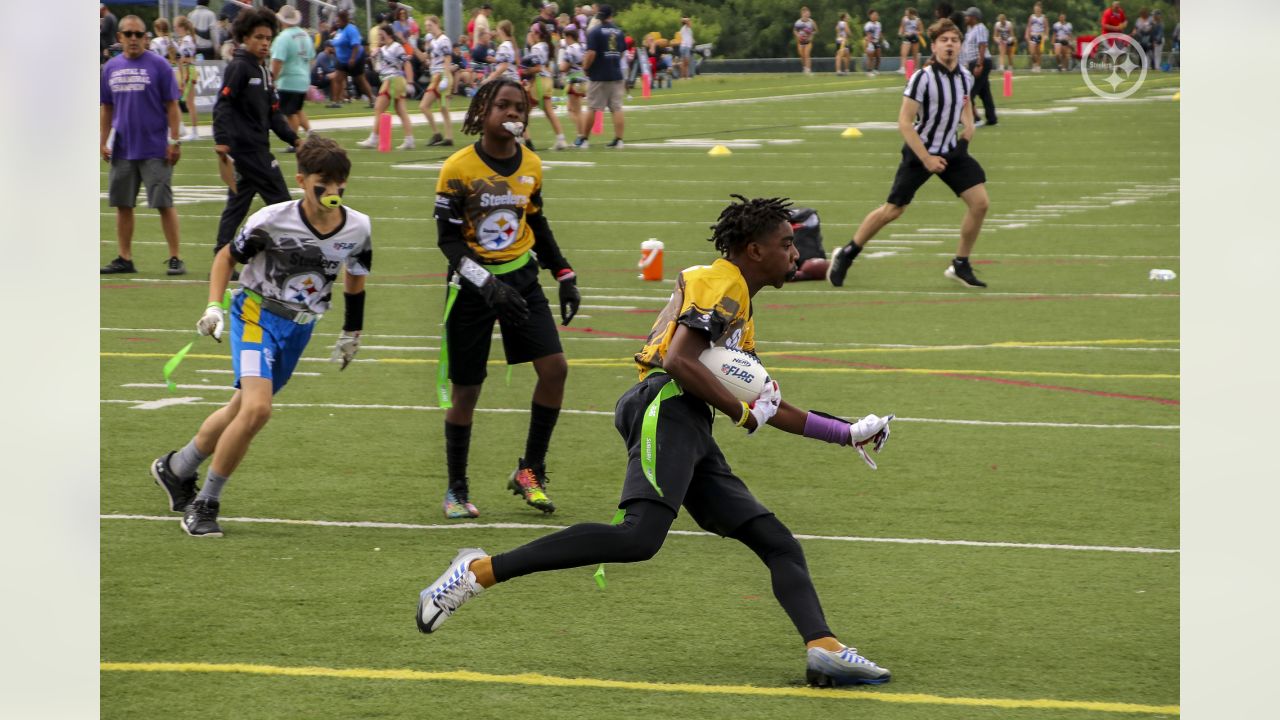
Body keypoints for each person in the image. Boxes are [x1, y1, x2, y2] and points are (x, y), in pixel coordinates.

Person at [414, 194, 897, 689]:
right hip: (665, 407)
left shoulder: (735, 297)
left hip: (685, 417)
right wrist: (740, 414)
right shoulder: (722, 283)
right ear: (754, 250)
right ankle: (477, 571)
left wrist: (846, 432)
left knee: (776, 542)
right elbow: (680, 362)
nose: (796, 254)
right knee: (638, 537)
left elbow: (765, 402)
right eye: (786, 243)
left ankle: (823, 650)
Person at [149, 136, 372, 537]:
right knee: (257, 410)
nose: (333, 190)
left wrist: (352, 330)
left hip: (300, 325)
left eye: (341, 182)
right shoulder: (270, 220)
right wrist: (213, 306)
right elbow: (226, 257)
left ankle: (177, 467)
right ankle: (205, 504)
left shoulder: (357, 228)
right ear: (301, 180)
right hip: (255, 313)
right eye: (324, 180)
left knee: (240, 409)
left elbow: (355, 278)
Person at [431, 77, 581, 519]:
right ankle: (457, 489)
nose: (513, 114)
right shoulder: (457, 168)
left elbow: (537, 222)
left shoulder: (531, 164)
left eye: (520, 108)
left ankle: (530, 472)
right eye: (503, 106)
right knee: (467, 391)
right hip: (472, 288)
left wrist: (564, 273)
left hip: (521, 280)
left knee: (555, 369)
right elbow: (449, 243)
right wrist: (486, 284)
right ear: (483, 111)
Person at [827, 18, 990, 290]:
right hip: (921, 152)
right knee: (893, 210)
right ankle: (847, 254)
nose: (949, 45)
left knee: (980, 203)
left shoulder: (964, 76)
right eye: (944, 40)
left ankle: (960, 263)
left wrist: (968, 132)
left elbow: (965, 106)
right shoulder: (922, 78)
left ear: (961, 45)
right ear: (935, 45)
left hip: (950, 152)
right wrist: (926, 159)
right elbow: (904, 122)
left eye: (954, 40)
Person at [211, 7, 302, 259]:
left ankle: (222, 256)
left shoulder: (264, 72)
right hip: (247, 150)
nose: (264, 43)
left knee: (237, 205)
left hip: (257, 147)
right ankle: (291, 254)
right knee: (281, 201)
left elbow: (274, 114)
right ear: (244, 38)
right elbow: (223, 104)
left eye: (268, 38)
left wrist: (294, 138)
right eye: (258, 37)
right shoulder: (239, 67)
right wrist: (221, 140)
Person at [101, 15, 187, 277]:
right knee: (123, 204)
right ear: (120, 37)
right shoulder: (110, 68)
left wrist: (174, 141)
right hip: (123, 147)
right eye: (128, 34)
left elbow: (172, 106)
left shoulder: (159, 65)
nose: (134, 39)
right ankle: (124, 257)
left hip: (154, 147)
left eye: (139, 34)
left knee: (163, 203)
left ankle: (175, 257)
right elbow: (107, 108)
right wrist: (102, 140)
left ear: (146, 37)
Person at [357, 25, 416, 150]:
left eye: (381, 34)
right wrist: (374, 57)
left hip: (394, 80)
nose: (379, 37)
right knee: (400, 111)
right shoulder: (382, 49)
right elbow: (379, 69)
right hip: (390, 79)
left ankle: (374, 138)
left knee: (378, 107)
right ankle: (409, 139)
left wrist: (410, 82)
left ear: (388, 34)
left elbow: (406, 63)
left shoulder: (396, 47)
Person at [581, 4, 625, 149]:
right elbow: (622, 52)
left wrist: (585, 67)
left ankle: (584, 139)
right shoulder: (619, 31)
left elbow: (591, 53)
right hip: (616, 73)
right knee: (616, 108)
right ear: (611, 16)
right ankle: (619, 140)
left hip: (599, 75)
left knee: (593, 108)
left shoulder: (595, 31)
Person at [270, 5, 314, 146]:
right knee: (297, 109)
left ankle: (293, 142)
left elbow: (277, 61)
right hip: (302, 78)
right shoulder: (305, 34)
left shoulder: (283, 37)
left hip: (289, 80)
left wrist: (273, 79)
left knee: (290, 113)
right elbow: (312, 57)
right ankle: (311, 134)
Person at [524, 22, 567, 150]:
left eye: (532, 32)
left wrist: (525, 72)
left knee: (523, 113)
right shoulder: (547, 46)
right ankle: (561, 139)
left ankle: (526, 142)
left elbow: (537, 68)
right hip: (548, 81)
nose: (530, 34)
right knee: (549, 112)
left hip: (539, 81)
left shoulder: (536, 48)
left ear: (537, 33)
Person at [417, 15, 455, 147]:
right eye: (426, 26)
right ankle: (441, 135)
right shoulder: (432, 41)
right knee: (433, 107)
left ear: (436, 24)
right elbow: (424, 58)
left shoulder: (444, 40)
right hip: (435, 76)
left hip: (441, 75)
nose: (428, 28)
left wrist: (445, 76)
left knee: (439, 107)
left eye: (430, 25)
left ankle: (445, 136)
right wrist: (411, 45)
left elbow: (447, 58)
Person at [330, 9, 373, 108]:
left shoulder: (351, 30)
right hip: (342, 60)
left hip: (356, 59)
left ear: (344, 21)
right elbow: (337, 43)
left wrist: (353, 59)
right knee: (337, 79)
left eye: (338, 21)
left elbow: (356, 45)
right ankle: (335, 102)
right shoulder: (340, 30)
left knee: (360, 81)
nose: (337, 23)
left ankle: (372, 100)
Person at [961, 7, 995, 127]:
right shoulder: (970, 30)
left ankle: (974, 119)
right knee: (985, 92)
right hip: (974, 62)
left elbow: (982, 45)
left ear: (974, 18)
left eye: (967, 16)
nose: (965, 18)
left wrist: (979, 64)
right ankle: (992, 118)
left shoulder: (980, 28)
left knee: (969, 92)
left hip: (981, 61)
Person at [173, 16, 201, 142]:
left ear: (181, 27)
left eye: (176, 27)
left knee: (188, 103)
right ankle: (185, 128)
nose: (175, 29)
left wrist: (178, 58)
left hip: (188, 70)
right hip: (187, 70)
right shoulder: (185, 40)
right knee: (187, 102)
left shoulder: (186, 40)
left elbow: (187, 57)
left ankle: (193, 131)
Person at [560, 27, 587, 139]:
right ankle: (582, 133)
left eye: (565, 37)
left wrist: (560, 66)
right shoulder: (582, 47)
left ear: (569, 37)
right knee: (572, 109)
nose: (564, 40)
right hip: (582, 79)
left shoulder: (570, 49)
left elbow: (564, 67)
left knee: (576, 111)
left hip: (574, 80)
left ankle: (581, 135)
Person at [1025, 3, 1047, 72]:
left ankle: (1038, 67)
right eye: (1035, 9)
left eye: (1038, 9)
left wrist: (1046, 35)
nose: (1037, 10)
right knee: (1032, 52)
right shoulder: (1032, 17)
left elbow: (1046, 27)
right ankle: (1034, 64)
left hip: (1040, 35)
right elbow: (1028, 26)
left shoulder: (1043, 17)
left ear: (1041, 9)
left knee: (1038, 52)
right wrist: (1026, 34)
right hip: (1033, 35)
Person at [794, 7, 816, 75]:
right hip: (800, 41)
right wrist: (798, 36)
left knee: (807, 55)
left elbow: (815, 30)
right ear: (802, 14)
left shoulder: (811, 22)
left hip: (808, 41)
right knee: (802, 55)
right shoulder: (798, 22)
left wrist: (811, 36)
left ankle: (808, 70)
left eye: (808, 13)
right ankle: (804, 68)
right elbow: (795, 30)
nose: (808, 15)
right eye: (806, 13)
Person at [899, 8, 922, 74]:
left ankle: (916, 68)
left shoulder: (918, 20)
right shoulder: (904, 19)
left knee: (915, 54)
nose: (906, 14)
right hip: (907, 37)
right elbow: (902, 27)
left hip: (914, 37)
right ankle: (902, 68)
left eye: (907, 13)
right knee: (903, 53)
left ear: (911, 14)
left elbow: (921, 31)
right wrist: (900, 33)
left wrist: (914, 33)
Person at [863, 9, 883, 77]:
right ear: (870, 16)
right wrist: (869, 44)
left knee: (878, 57)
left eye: (876, 15)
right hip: (870, 42)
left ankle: (876, 69)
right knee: (870, 57)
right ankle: (869, 71)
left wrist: (884, 40)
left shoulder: (879, 24)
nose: (876, 16)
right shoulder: (868, 25)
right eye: (874, 15)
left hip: (876, 42)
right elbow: (868, 35)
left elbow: (879, 33)